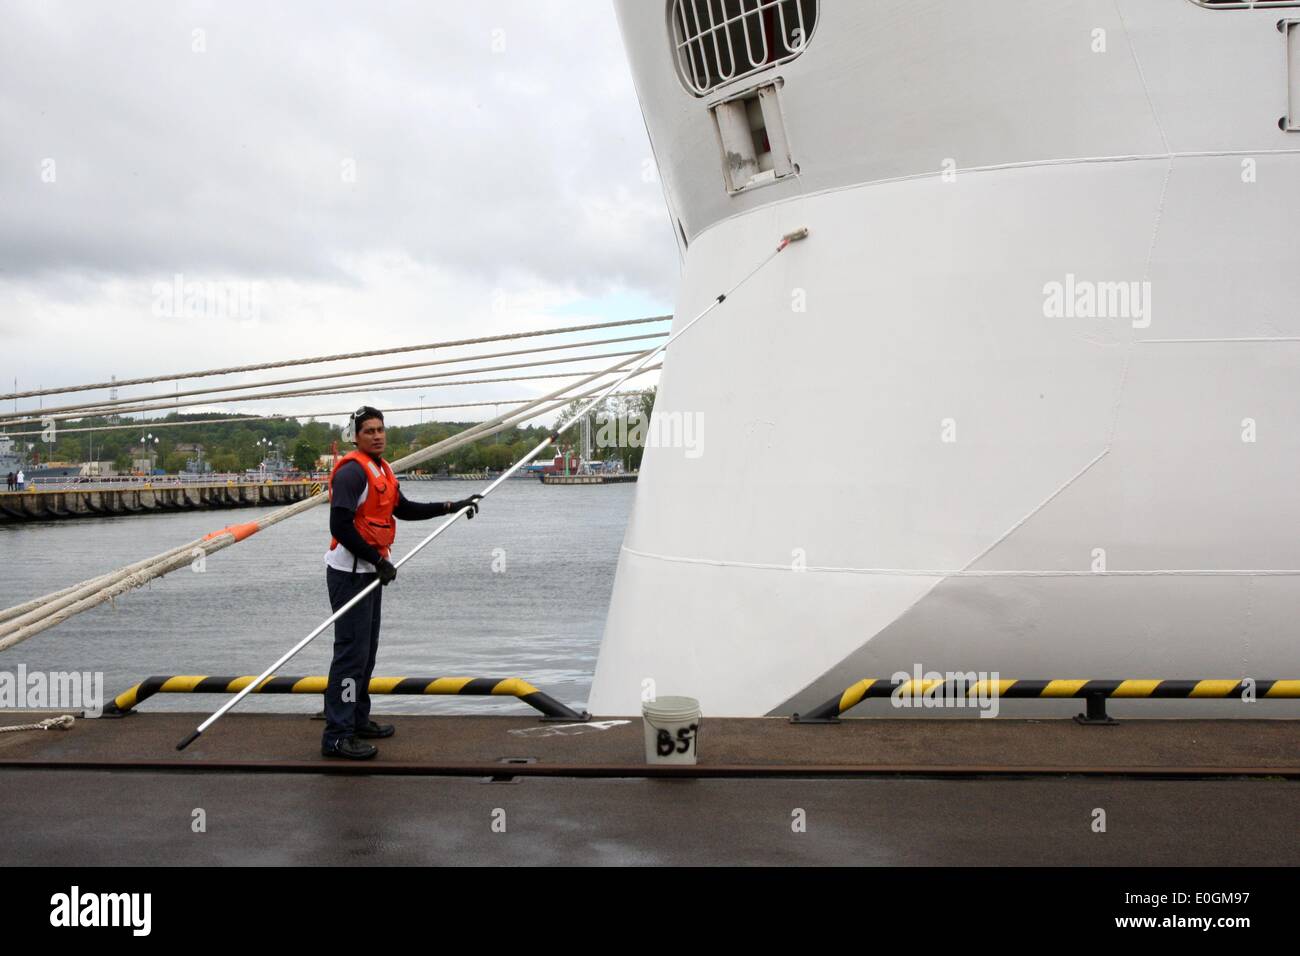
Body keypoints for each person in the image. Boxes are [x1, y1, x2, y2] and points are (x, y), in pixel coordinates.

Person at [321, 405, 483, 760]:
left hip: (371, 572)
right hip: (350, 575)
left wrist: (451, 505)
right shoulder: (351, 473)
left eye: (381, 429)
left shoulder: (383, 469)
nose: (377, 435)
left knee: (366, 655)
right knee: (350, 656)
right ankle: (336, 735)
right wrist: (377, 560)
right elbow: (340, 526)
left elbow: (403, 508)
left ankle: (358, 718)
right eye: (369, 431)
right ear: (356, 436)